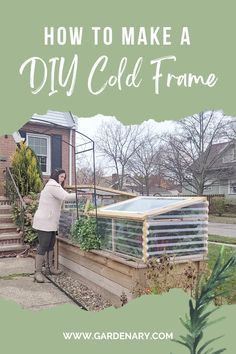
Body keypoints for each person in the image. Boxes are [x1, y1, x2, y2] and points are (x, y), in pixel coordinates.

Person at [33, 168, 76, 283]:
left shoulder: (55, 186)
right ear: (55, 176)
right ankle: (37, 272)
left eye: (64, 177)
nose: (62, 179)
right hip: (44, 221)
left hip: (50, 221)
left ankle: (49, 268)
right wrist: (81, 196)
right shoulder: (52, 186)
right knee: (43, 245)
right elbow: (66, 197)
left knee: (51, 244)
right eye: (61, 176)